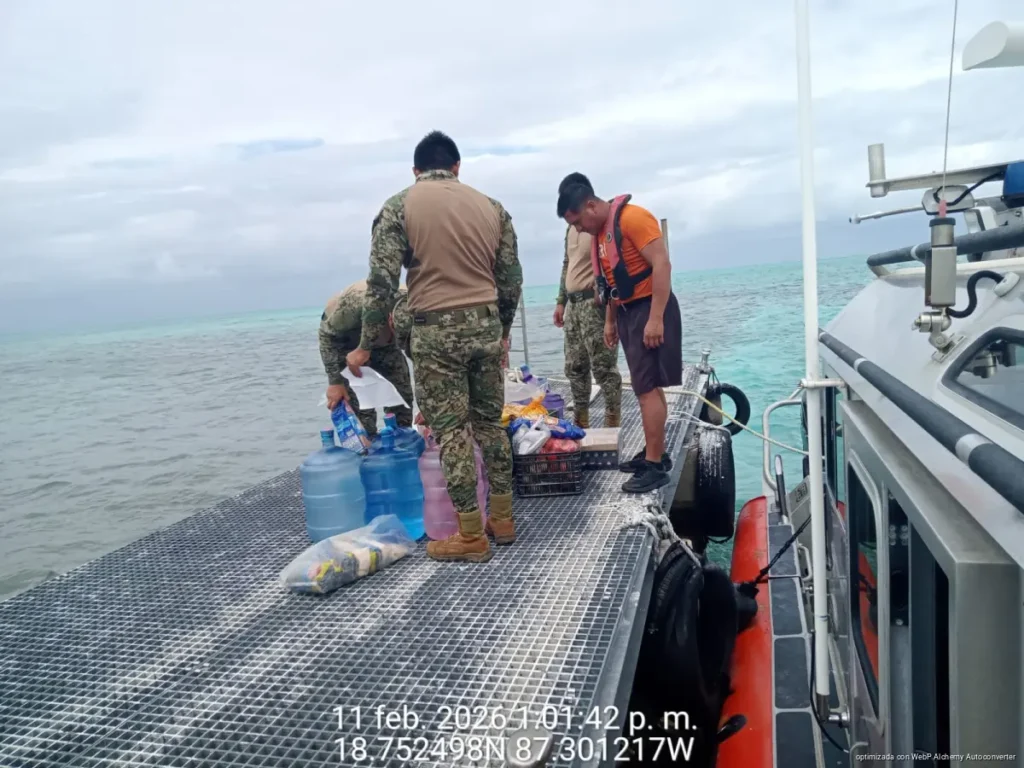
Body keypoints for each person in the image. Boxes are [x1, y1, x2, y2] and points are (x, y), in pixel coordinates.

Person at [346, 130, 523, 562]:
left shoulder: (398, 206)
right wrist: (500, 331)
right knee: (489, 423)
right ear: (458, 167)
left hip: (435, 331)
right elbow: (511, 280)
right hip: (484, 325)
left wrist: (367, 344)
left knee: (453, 432)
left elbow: (383, 283)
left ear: (416, 170)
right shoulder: (493, 208)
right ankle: (502, 519)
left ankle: (470, 536)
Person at [556, 182, 682, 494]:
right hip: (627, 311)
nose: (579, 230)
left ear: (590, 207)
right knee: (646, 385)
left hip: (649, 308)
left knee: (646, 389)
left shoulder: (633, 219)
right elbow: (611, 281)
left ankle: (654, 466)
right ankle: (656, 454)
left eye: (577, 222)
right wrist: (611, 321)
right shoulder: (601, 234)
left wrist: (655, 319)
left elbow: (662, 264)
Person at [553, 172, 622, 429]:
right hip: (573, 305)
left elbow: (612, 259)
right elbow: (566, 264)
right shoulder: (571, 229)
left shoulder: (601, 224)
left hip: (595, 306)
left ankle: (612, 422)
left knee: (604, 368)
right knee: (575, 366)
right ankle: (580, 423)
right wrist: (561, 301)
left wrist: (603, 286)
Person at [318, 280, 414, 435]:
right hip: (348, 340)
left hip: (386, 343)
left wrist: (429, 407)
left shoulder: (422, 305)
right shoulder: (355, 305)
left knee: (402, 399)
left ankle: (402, 441)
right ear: (390, 320)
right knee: (361, 410)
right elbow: (327, 336)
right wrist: (335, 382)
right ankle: (365, 447)